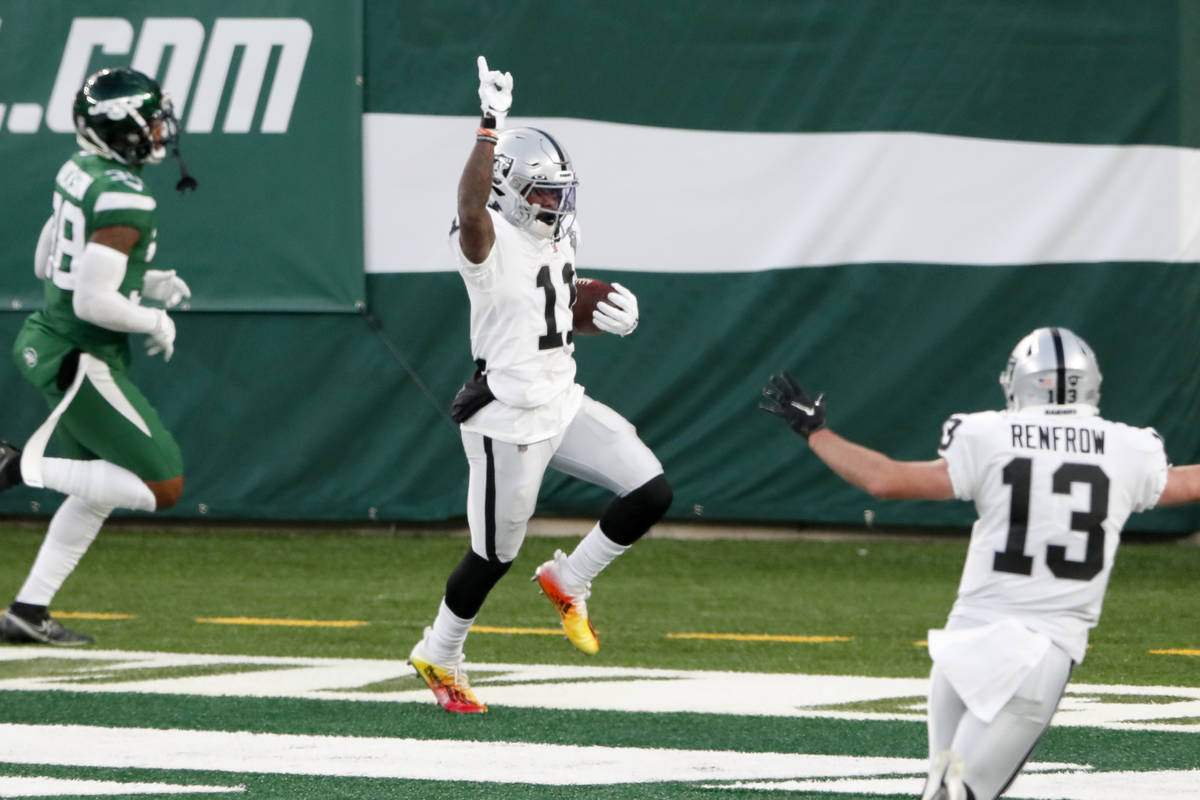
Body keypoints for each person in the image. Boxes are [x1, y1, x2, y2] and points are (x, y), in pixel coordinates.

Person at [759, 327, 1200, 800]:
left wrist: (817, 433)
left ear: (1020, 382)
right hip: (1039, 655)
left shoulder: (989, 434)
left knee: (943, 790)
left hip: (965, 648)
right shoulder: (1127, 448)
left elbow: (885, 480)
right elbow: (1186, 486)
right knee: (960, 794)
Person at [408, 56, 673, 714]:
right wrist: (489, 127)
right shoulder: (484, 235)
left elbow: (549, 313)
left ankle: (568, 577)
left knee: (651, 490)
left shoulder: (558, 232)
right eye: (545, 192)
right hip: (509, 417)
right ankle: (439, 651)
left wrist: (606, 314)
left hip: (562, 398)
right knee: (494, 554)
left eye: (561, 191)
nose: (558, 204)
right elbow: (471, 209)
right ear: (509, 189)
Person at [0, 67, 197, 646]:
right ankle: (15, 467)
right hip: (80, 352)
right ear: (123, 129)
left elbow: (48, 265)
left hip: (52, 340)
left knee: (97, 490)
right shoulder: (123, 194)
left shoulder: (80, 169)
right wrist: (150, 317)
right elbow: (91, 300)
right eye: (152, 120)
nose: (162, 129)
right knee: (164, 485)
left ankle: (27, 611)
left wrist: (147, 281)